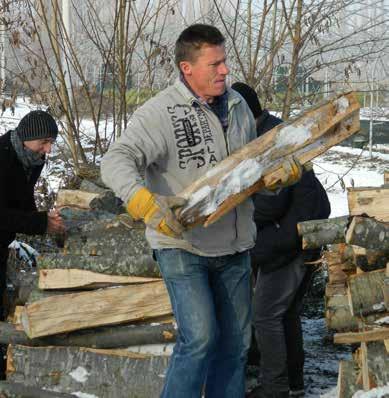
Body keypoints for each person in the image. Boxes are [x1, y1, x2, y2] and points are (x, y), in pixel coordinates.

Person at [101, 25, 301, 398]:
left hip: (236, 246)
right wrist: (144, 203)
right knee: (200, 340)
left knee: (237, 346)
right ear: (187, 68)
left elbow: (246, 171)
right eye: (216, 64)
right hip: (183, 246)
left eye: (225, 61)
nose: (225, 71)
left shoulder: (239, 107)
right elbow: (115, 160)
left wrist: (275, 178)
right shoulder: (160, 112)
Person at [231, 82, 331, 398]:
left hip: (289, 241)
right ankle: (294, 383)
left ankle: (275, 388)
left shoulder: (270, 141)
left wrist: (238, 210)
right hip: (294, 236)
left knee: (266, 315)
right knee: (283, 313)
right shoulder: (269, 133)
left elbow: (272, 202)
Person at [0, 110, 65, 324]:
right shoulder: (3, 156)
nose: (48, 149)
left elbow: (22, 200)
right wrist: (41, 222)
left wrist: (45, 220)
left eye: (52, 142)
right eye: (44, 141)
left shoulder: (32, 158)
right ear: (26, 137)